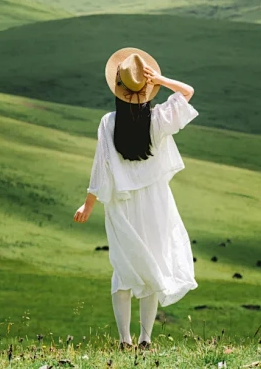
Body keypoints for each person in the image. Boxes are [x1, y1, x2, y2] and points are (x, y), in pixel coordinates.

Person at [73, 46, 199, 349]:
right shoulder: (158, 119)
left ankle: (124, 339)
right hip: (156, 201)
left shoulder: (108, 122)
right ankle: (146, 339)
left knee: (124, 269)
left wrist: (88, 204)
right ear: (148, 88)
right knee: (150, 265)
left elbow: (100, 167)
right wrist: (160, 79)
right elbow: (188, 92)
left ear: (118, 88)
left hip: (122, 205)